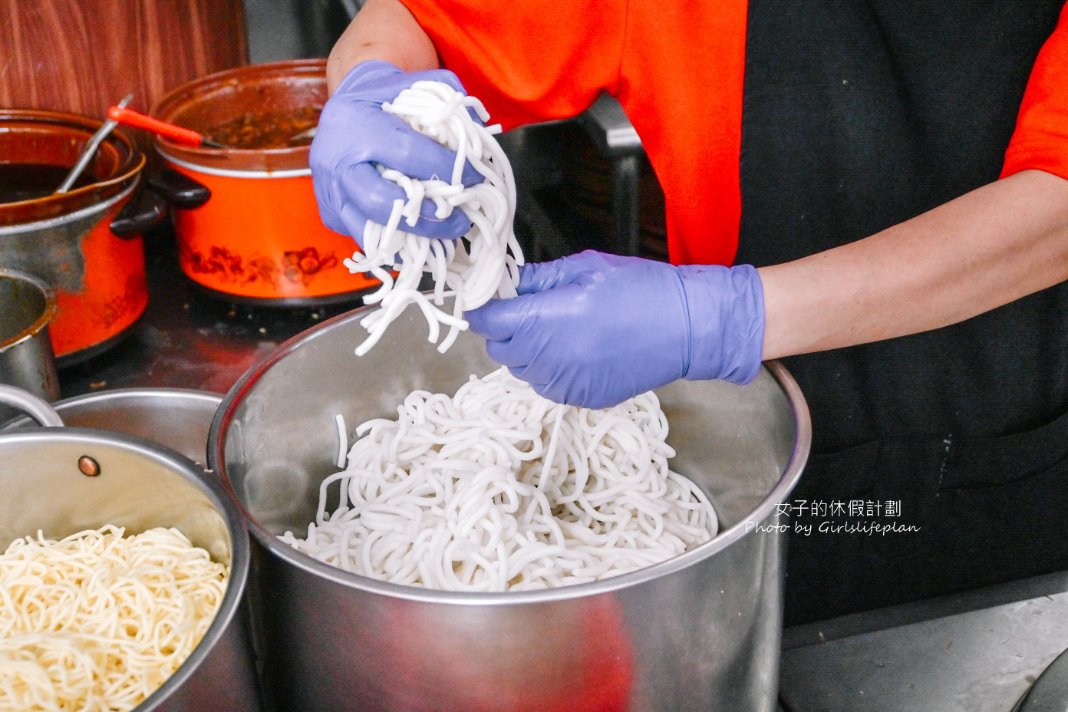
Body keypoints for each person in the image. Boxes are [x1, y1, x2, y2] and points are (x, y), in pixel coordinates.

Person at [309, 0, 1068, 625]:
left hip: (1022, 450)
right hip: (750, 453)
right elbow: (427, 20)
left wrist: (727, 317)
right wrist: (372, 86)